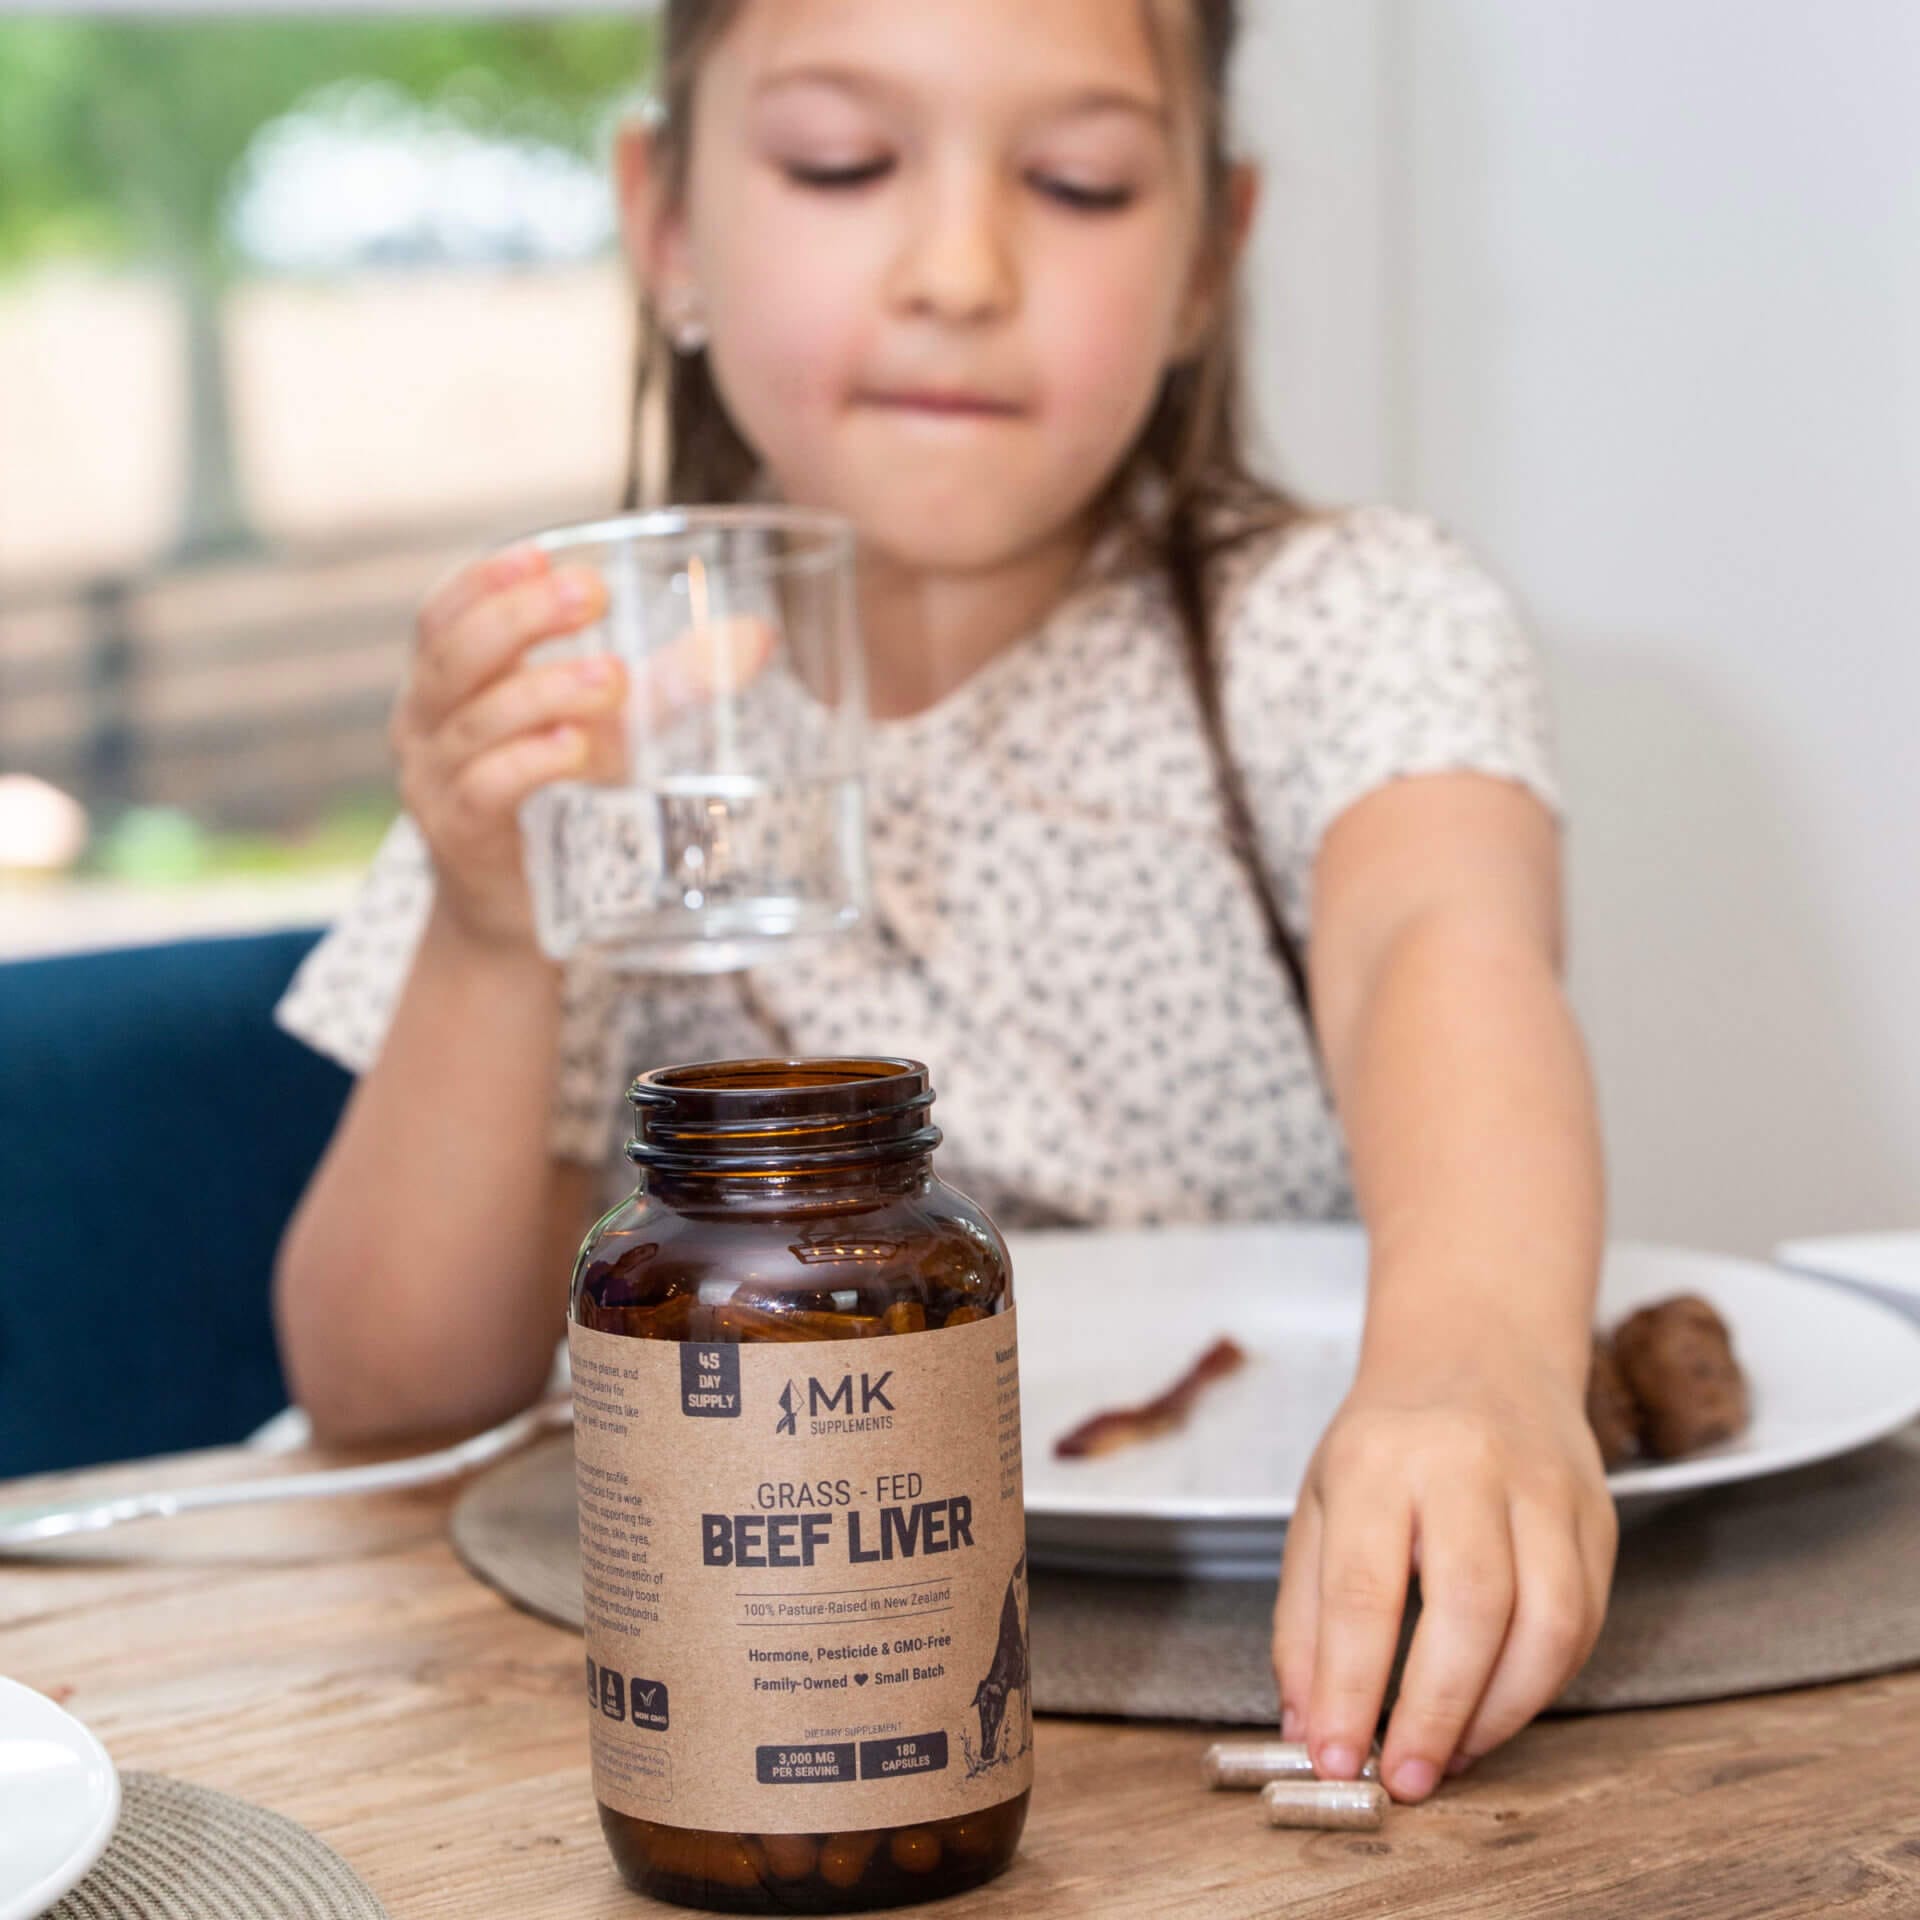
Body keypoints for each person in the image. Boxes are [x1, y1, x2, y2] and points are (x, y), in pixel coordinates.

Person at [272, 0, 1614, 1808]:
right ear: (665, 222)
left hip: (1253, 1647)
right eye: (843, 164)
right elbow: (388, 1401)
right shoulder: (588, 710)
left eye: (1080, 182)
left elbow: (1442, 951)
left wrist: (1481, 1369)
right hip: (719, 1693)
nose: (962, 270)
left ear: (1208, 257)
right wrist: (492, 933)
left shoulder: (1348, 623)